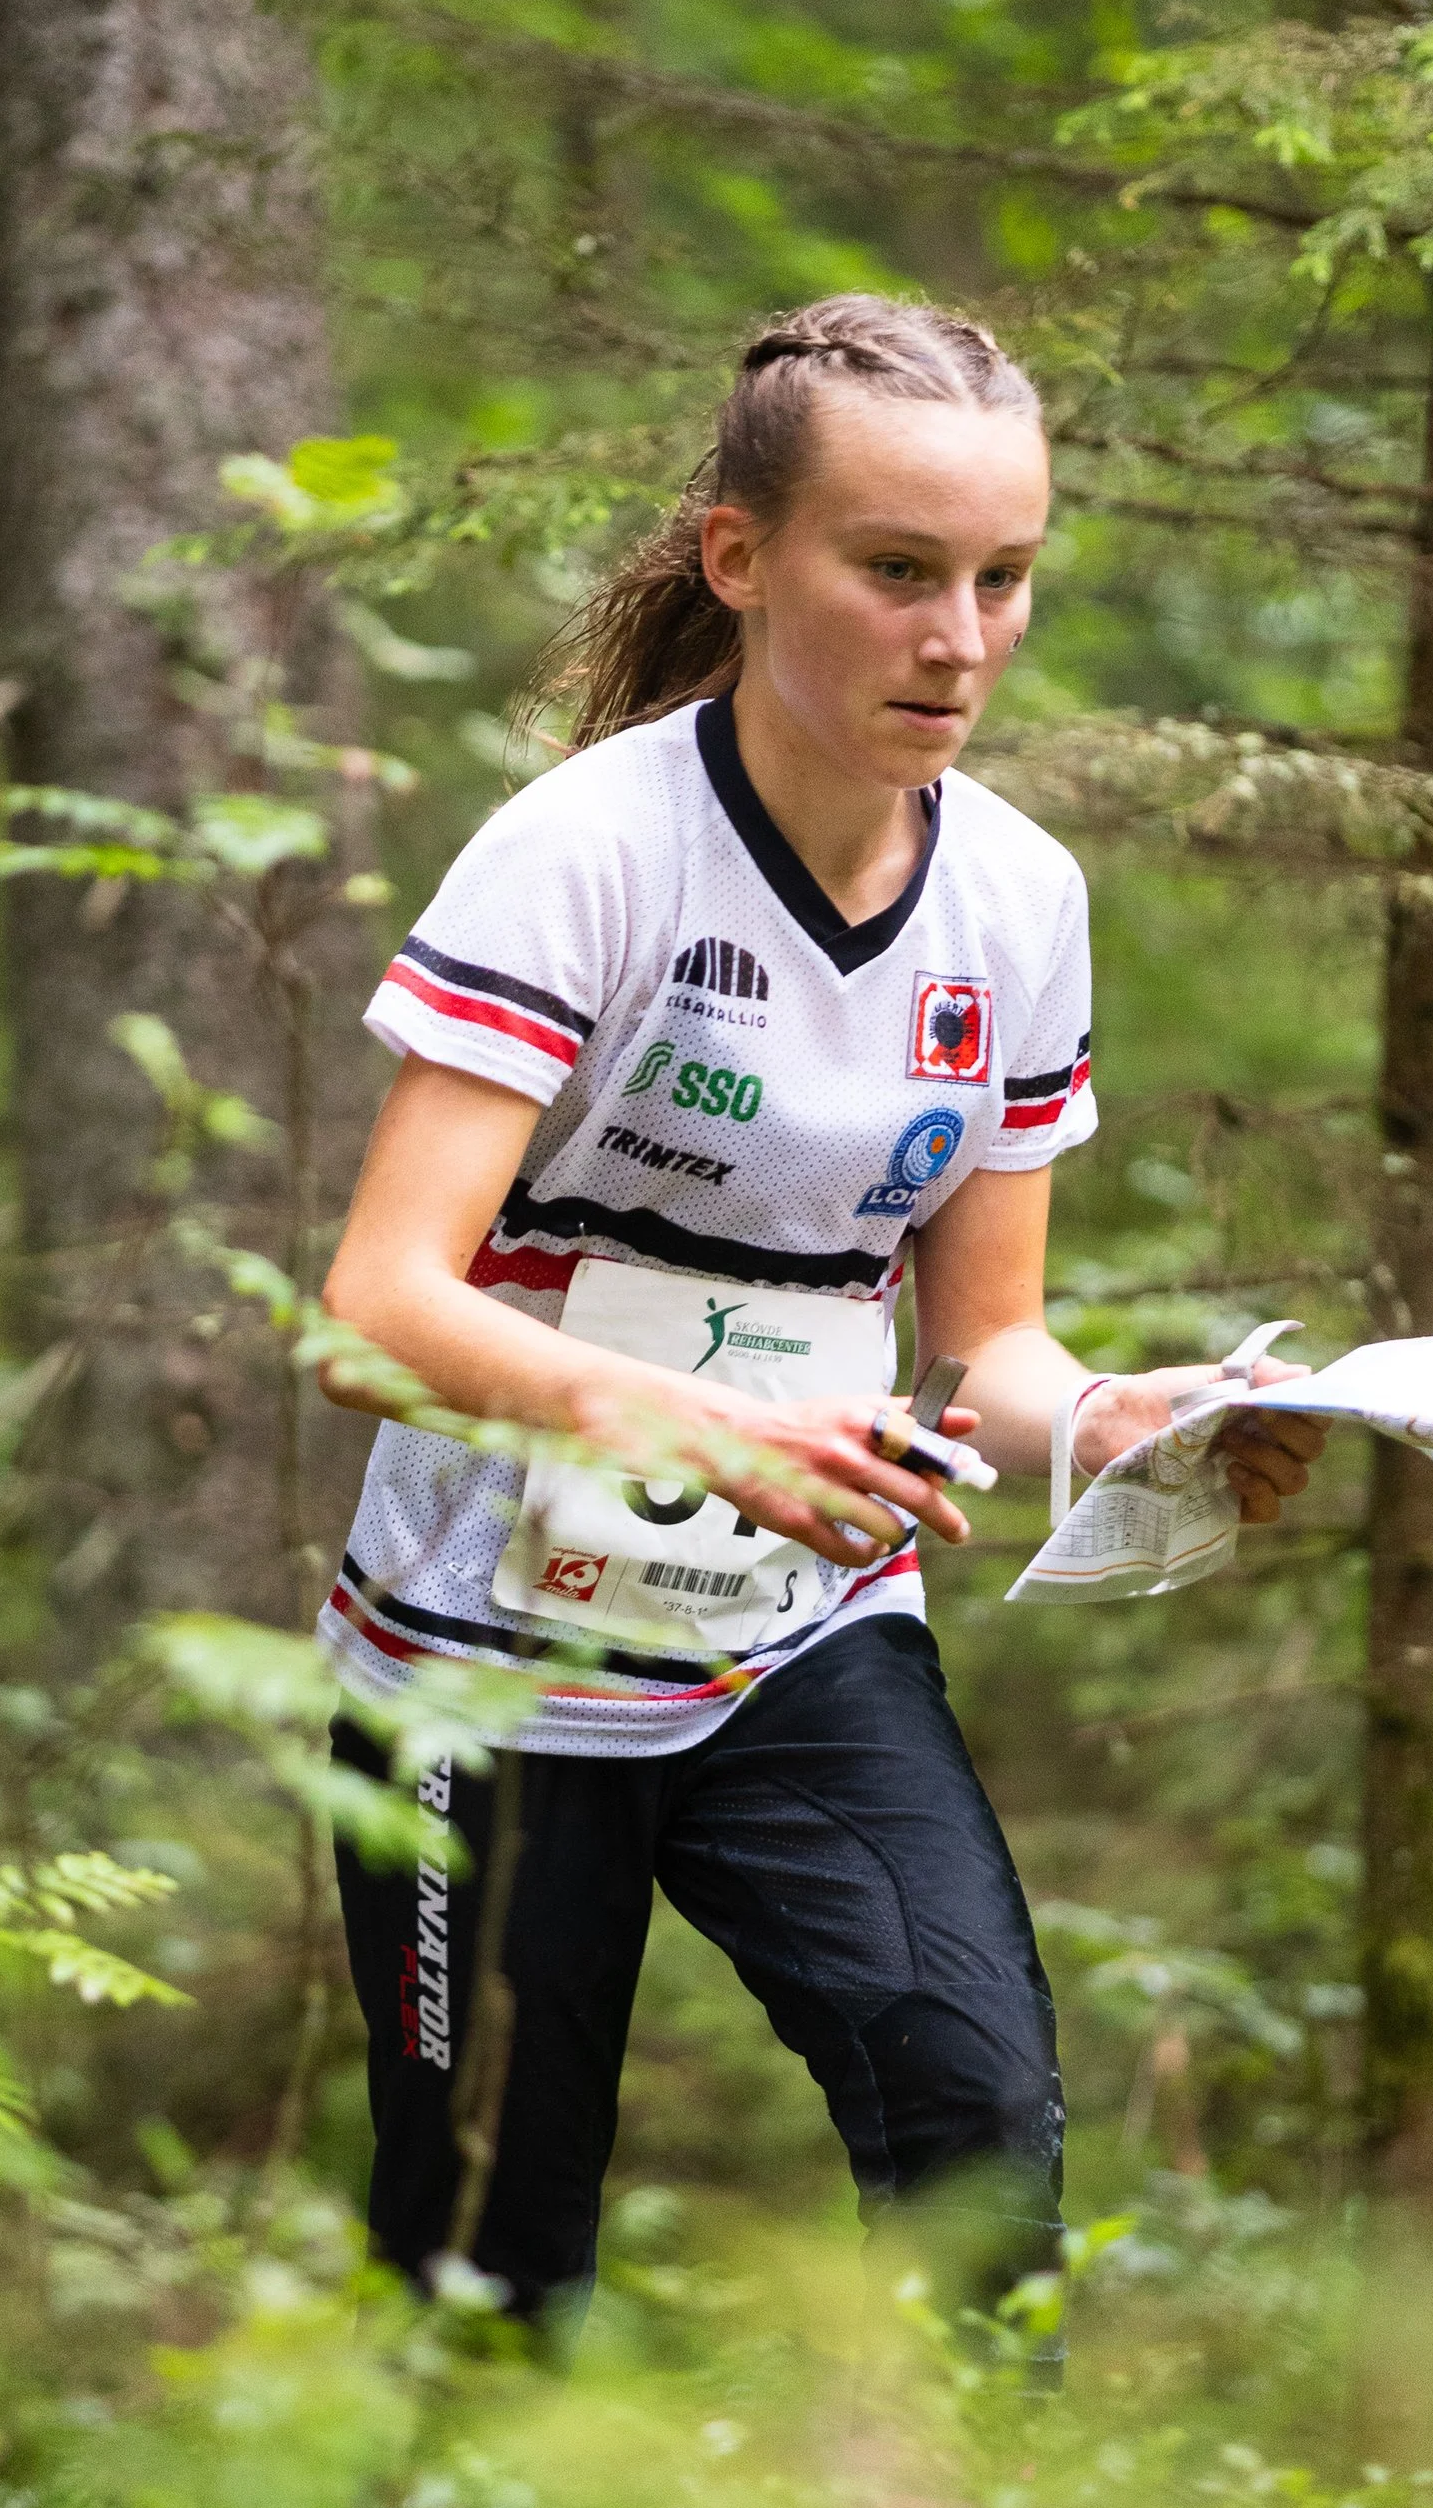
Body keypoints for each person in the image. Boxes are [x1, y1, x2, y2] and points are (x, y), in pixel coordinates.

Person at [315, 293, 1323, 2341]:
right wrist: (702, 1436)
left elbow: (984, 1354)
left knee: (977, 2122)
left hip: (798, 1630)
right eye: (896, 570)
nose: (957, 635)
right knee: (489, 2250)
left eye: (1002, 578)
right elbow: (376, 1299)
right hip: (486, 1654)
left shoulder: (1016, 899)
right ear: (741, 558)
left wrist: (1132, 1418)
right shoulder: (582, 853)